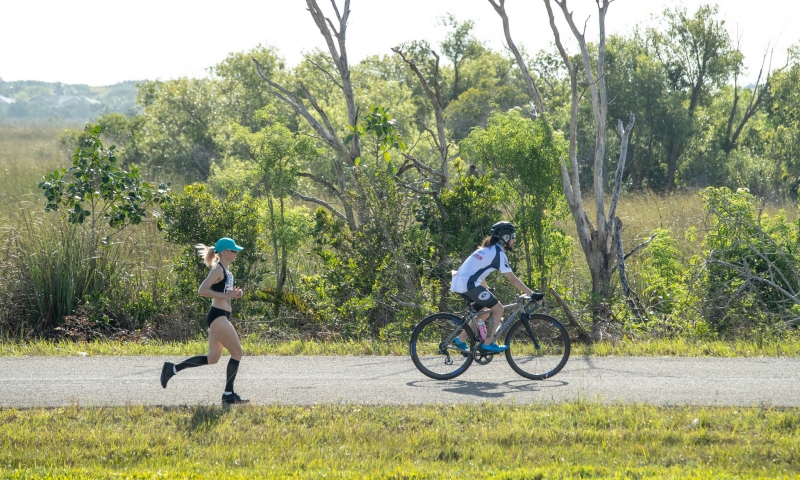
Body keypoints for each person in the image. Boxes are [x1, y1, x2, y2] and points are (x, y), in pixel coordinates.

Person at [160, 237, 249, 405]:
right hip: (218, 316)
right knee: (237, 353)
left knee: (213, 358)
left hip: (221, 315)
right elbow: (202, 290)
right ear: (224, 252)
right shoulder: (218, 270)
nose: (237, 253)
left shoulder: (227, 272)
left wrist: (235, 295)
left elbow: (224, 294)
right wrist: (225, 295)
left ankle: (171, 369)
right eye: (234, 251)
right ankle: (228, 395)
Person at [450, 221, 542, 353]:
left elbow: (477, 272)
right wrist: (532, 293)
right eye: (513, 236)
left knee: (486, 311)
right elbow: (513, 280)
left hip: (462, 282)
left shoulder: (487, 249)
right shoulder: (498, 253)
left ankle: (461, 340)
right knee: (498, 309)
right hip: (467, 284)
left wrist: (486, 289)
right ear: (505, 238)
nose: (514, 240)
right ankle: (487, 344)